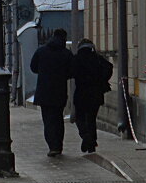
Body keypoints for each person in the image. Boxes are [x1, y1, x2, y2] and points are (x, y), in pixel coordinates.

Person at [30, 28, 73, 156]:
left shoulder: (41, 51)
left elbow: (33, 67)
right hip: (59, 91)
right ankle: (58, 145)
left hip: (44, 92)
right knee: (58, 119)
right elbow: (72, 71)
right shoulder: (66, 53)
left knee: (48, 120)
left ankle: (52, 146)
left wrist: (44, 72)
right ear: (64, 39)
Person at [71, 38, 113, 153]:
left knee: (80, 118)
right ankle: (91, 143)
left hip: (81, 93)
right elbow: (109, 67)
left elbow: (70, 72)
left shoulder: (76, 59)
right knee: (91, 118)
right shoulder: (98, 59)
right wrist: (102, 80)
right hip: (96, 94)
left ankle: (86, 137)